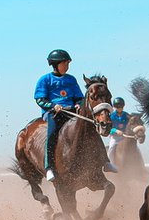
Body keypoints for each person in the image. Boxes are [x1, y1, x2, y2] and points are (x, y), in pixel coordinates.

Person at [34, 49, 118, 182]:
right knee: (52, 134)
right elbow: (39, 99)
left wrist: (79, 104)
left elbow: (79, 97)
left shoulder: (71, 79)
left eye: (68, 64)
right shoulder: (45, 80)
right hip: (53, 114)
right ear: (55, 64)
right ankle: (49, 167)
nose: (67, 66)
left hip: (72, 112)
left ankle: (105, 162)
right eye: (64, 64)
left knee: (91, 128)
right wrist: (53, 106)